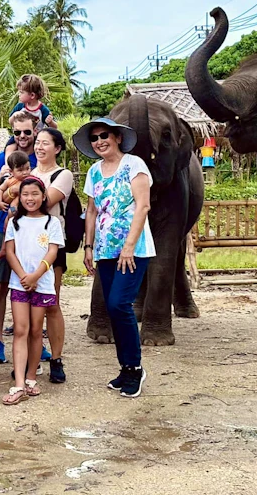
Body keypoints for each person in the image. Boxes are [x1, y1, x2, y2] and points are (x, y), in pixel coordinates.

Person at [77, 117, 155, 398]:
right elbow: (93, 211)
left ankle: (135, 367)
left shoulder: (134, 165)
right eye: (95, 138)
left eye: (104, 135)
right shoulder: (94, 171)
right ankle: (125, 367)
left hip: (133, 249)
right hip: (105, 252)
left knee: (120, 304)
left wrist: (129, 245)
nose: (100, 141)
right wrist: (88, 247)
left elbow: (143, 205)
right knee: (112, 310)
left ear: (118, 137)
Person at [1, 178, 64, 405]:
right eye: (25, 194)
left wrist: (36, 275)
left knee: (37, 331)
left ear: (43, 195)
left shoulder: (51, 222)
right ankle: (18, 382)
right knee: (21, 330)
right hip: (19, 284)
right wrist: (23, 277)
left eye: (34, 193)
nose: (29, 198)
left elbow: (52, 252)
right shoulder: (14, 223)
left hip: (43, 284)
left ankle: (30, 377)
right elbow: (10, 252)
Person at [0, 111, 38, 364]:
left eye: (27, 131)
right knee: (2, 285)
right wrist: (0, 186)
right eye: (18, 132)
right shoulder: (2, 159)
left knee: (32, 285)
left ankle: (31, 339)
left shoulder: (42, 154)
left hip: (35, 230)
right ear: (12, 133)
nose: (23, 136)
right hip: (6, 227)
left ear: (35, 130)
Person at [28, 127, 73, 384]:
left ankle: (56, 358)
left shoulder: (63, 174)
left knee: (51, 303)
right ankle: (32, 360)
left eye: (46, 143)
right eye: (37, 143)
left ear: (57, 148)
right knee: (27, 304)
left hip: (52, 244)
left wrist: (18, 193)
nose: (40, 147)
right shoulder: (31, 173)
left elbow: (43, 202)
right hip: (26, 246)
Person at [2, 74, 58, 160]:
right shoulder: (20, 106)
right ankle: (8, 163)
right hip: (21, 135)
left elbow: (54, 128)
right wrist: (14, 116)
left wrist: (50, 122)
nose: (19, 95)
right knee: (10, 145)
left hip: (37, 138)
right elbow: (10, 121)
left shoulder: (42, 110)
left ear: (32, 95)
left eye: (21, 92)